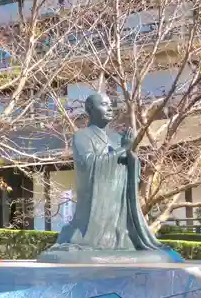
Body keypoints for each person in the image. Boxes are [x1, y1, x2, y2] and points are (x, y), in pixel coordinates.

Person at [56, 92, 165, 251]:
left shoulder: (115, 138)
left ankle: (124, 235)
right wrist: (122, 149)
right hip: (96, 205)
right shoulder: (82, 136)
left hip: (118, 202)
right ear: (90, 109)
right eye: (104, 105)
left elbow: (130, 168)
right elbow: (88, 164)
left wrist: (130, 156)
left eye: (110, 104)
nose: (110, 108)